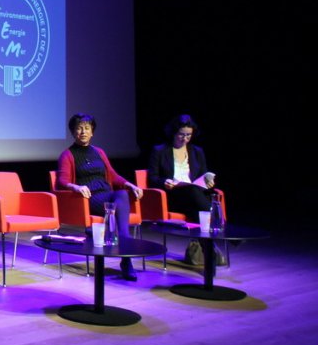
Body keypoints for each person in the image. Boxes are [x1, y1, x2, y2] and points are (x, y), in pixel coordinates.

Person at [57, 113, 143, 281]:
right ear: (73, 132)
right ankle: (126, 260)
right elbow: (62, 181)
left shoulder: (99, 152)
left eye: (87, 128)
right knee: (117, 212)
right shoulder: (67, 155)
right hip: (89, 197)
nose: (83, 132)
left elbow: (113, 175)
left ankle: (121, 247)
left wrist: (130, 184)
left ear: (92, 132)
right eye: (79, 128)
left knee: (122, 194)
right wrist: (77, 186)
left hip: (107, 193)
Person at [147, 114, 216, 220]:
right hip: (173, 195)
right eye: (181, 135)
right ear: (173, 133)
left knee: (195, 210)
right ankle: (216, 217)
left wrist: (208, 182)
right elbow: (153, 178)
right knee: (192, 191)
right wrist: (164, 182)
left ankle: (204, 234)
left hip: (194, 197)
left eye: (189, 135)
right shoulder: (159, 151)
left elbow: (203, 175)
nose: (185, 139)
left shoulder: (197, 152)